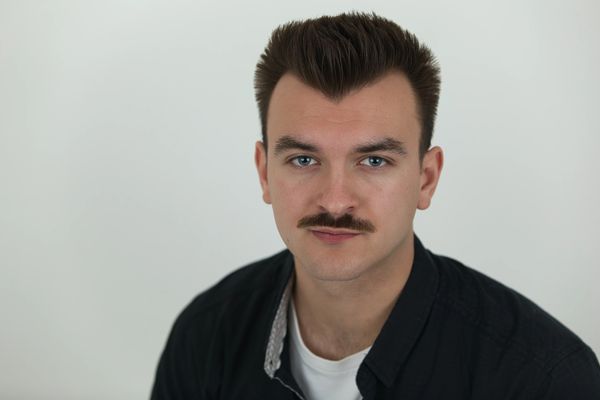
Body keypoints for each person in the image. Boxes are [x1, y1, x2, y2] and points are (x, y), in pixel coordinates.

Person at [150, 12, 600, 399]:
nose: (335, 199)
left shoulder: (543, 380)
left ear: (426, 179)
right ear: (265, 172)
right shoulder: (205, 337)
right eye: (304, 159)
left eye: (374, 161)